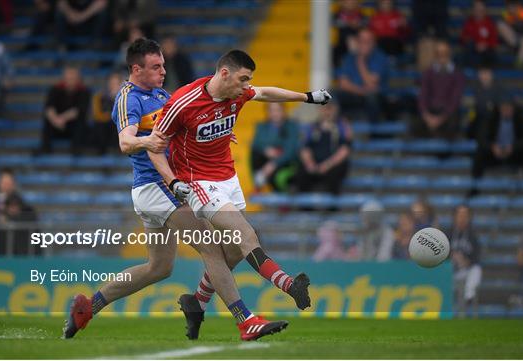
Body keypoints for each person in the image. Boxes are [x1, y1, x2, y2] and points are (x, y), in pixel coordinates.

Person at [63, 39, 288, 342]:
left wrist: (218, 134)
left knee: (159, 267)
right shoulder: (128, 98)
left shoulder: (161, 94)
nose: (163, 71)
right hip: (156, 188)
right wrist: (146, 142)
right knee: (211, 246)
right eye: (156, 66)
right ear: (136, 68)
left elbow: (181, 125)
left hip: (164, 189)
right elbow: (126, 142)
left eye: (164, 65)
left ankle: (88, 307)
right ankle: (244, 320)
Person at [151, 49, 332, 338]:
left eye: (249, 80)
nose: (247, 86)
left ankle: (196, 303)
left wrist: (306, 97)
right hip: (198, 181)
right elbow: (155, 146)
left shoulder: (239, 93)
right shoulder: (183, 101)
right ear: (224, 73)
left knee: (232, 253)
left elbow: (266, 93)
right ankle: (287, 286)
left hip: (229, 179)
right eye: (243, 79)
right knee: (245, 236)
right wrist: (173, 182)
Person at [471, 96, 523, 192]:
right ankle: (475, 188)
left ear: (513, 108)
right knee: (479, 152)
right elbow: (481, 137)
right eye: (504, 108)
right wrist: (492, 147)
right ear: (499, 108)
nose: (506, 111)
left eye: (509, 108)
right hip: (494, 153)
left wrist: (513, 147)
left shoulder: (522, 116)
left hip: (515, 154)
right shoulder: (490, 116)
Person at [412, 40, 465, 140]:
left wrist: (440, 119)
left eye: (445, 53)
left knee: (453, 122)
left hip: (447, 114)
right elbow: (423, 95)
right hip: (431, 111)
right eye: (439, 54)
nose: (442, 57)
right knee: (414, 122)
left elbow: (455, 100)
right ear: (435, 55)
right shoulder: (428, 73)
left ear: (449, 54)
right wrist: (427, 116)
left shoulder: (458, 75)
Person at [296, 101, 352, 195]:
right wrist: (310, 163)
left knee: (335, 174)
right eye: (324, 108)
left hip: (333, 165)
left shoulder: (342, 126)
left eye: (330, 108)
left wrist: (327, 165)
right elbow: (305, 148)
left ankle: (332, 207)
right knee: (301, 173)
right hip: (315, 164)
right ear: (319, 110)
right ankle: (306, 208)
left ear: (336, 109)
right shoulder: (312, 127)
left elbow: (345, 150)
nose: (327, 112)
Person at [338, 28, 389, 123]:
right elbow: (343, 84)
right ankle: (336, 129)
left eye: (368, 41)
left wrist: (361, 62)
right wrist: (362, 91)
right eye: (362, 41)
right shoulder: (349, 57)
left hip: (374, 99)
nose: (364, 44)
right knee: (329, 94)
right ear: (357, 42)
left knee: (372, 97)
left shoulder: (380, 57)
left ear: (374, 43)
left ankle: (372, 131)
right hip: (356, 94)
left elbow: (371, 83)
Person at [36, 65, 91, 155]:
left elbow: (78, 110)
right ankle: (45, 148)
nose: (70, 80)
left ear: (78, 78)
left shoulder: (84, 91)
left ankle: (76, 150)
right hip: (57, 125)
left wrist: (62, 118)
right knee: (47, 120)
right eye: (68, 78)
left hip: (73, 126)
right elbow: (49, 107)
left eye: (73, 78)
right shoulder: (55, 89)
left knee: (80, 121)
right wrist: (55, 120)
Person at [251, 102, 300, 192]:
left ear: (284, 111)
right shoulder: (261, 126)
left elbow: (290, 150)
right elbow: (256, 143)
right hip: (265, 161)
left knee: (278, 174)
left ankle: (284, 191)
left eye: (278, 110)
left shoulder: (291, 126)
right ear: (267, 112)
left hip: (285, 163)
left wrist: (274, 163)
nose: (275, 113)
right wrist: (266, 150)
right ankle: (259, 179)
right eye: (271, 110)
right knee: (255, 151)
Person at [450, 205, 482, 317]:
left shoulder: (473, 236)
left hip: (467, 270)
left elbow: (476, 257)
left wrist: (465, 261)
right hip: (450, 270)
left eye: (465, 215)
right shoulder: (448, 234)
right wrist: (452, 256)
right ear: (455, 217)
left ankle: (469, 295)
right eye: (460, 215)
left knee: (476, 269)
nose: (462, 218)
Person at [468, 65, 506, 139]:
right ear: (478, 75)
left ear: (491, 74)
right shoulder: (476, 88)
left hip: (494, 120)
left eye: (486, 73)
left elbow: (498, 105)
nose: (484, 76)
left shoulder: (499, 88)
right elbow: (477, 106)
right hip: (479, 119)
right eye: (482, 73)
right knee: (474, 118)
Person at [91, 72, 122, 154]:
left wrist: (117, 98)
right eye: (112, 83)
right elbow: (97, 115)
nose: (114, 86)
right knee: (101, 127)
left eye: (116, 83)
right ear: (108, 83)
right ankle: (101, 153)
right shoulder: (99, 96)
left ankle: (119, 151)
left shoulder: (126, 97)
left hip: (118, 125)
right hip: (104, 124)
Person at [461, 0, 498, 67]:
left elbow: (494, 40)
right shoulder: (468, 23)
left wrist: (485, 45)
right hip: (473, 51)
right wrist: (476, 45)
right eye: (476, 9)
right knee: (469, 49)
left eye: (481, 9)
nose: (478, 12)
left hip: (487, 51)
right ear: (473, 10)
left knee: (491, 54)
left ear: (484, 10)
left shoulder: (490, 23)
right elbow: (464, 38)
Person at [332, 0, 368, 68]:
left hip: (359, 44)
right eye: (348, 2)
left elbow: (366, 28)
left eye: (353, 3)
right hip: (341, 45)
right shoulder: (336, 16)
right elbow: (333, 24)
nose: (350, 5)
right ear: (342, 3)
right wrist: (349, 24)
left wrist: (357, 25)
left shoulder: (362, 17)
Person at [497, 0, 523, 68]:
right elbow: (502, 32)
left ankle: (519, 63)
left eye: (514, 5)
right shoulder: (505, 14)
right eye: (510, 6)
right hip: (513, 41)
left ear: (518, 5)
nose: (512, 8)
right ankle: (515, 49)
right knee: (500, 25)